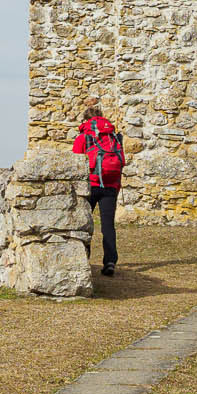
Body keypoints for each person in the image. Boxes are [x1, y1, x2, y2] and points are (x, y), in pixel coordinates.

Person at [72, 98, 125, 276]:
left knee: (83, 224)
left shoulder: (83, 137)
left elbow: (75, 163)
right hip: (111, 185)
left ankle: (83, 259)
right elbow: (122, 161)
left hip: (90, 185)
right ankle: (110, 261)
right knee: (108, 226)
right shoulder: (113, 137)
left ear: (85, 120)